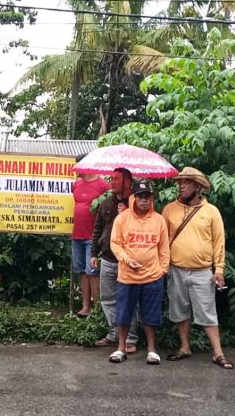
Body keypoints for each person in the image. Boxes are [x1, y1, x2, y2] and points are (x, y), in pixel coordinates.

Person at [161, 167, 233, 369]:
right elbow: (163, 240)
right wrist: (164, 265)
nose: (181, 185)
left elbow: (219, 242)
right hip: (176, 269)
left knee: (207, 312)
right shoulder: (169, 209)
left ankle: (218, 353)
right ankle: (185, 347)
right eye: (180, 182)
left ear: (198, 187)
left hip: (203, 271)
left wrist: (219, 270)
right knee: (179, 310)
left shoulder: (211, 212)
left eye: (187, 182)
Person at [108, 180, 170, 365]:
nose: (144, 200)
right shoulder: (122, 218)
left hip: (152, 277)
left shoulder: (159, 220)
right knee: (124, 314)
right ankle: (120, 348)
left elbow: (164, 248)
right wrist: (127, 260)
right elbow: (115, 243)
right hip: (127, 277)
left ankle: (152, 350)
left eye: (148, 196)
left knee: (151, 315)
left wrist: (162, 270)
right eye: (141, 196)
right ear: (133, 198)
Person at [89, 167, 140, 353]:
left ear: (127, 181)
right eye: (111, 178)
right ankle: (114, 334)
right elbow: (97, 229)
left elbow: (145, 227)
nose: (112, 182)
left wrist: (129, 213)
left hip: (128, 260)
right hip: (108, 258)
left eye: (116, 179)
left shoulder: (138, 203)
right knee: (107, 299)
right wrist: (94, 253)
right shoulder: (105, 204)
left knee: (129, 300)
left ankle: (131, 338)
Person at [71, 155, 110, 317]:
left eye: (77, 166)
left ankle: (97, 309)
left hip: (92, 236)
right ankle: (85, 306)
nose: (75, 169)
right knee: (82, 271)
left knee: (93, 272)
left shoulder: (102, 185)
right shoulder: (76, 184)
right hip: (77, 234)